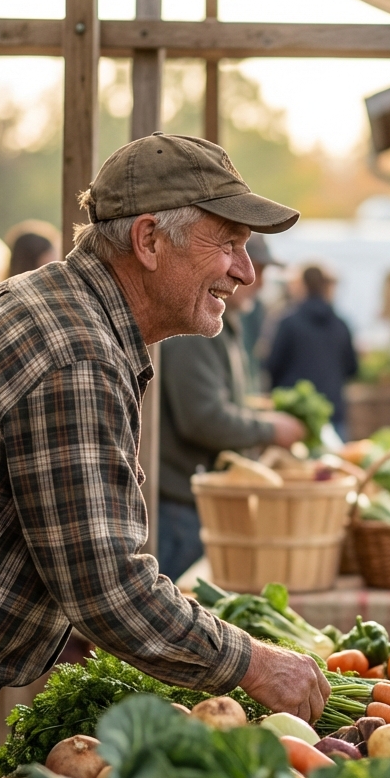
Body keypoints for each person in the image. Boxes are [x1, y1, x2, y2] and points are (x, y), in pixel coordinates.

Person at [0, 133, 330, 778]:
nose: (244, 271)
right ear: (149, 239)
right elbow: (108, 585)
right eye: (229, 244)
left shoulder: (57, 310)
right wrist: (253, 663)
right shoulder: (76, 352)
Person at [158, 232, 306, 581]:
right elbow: (203, 418)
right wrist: (270, 428)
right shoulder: (195, 332)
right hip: (177, 504)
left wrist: (255, 411)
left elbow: (215, 400)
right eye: (255, 269)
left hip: (193, 500)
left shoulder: (227, 325)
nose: (256, 281)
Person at [265, 264, 357, 436]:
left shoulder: (288, 323)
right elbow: (352, 368)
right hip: (332, 412)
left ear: (301, 285)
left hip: (292, 418)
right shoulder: (341, 325)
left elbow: (273, 365)